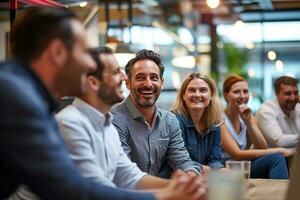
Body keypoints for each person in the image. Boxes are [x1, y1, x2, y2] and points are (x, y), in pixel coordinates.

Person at [0, 7, 202, 200]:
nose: (89, 64)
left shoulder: (24, 92)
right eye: (84, 52)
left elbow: (127, 177)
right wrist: (168, 196)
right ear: (57, 52)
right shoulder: (17, 97)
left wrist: (179, 189)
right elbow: (70, 190)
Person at [112, 49, 200, 178]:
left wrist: (192, 178)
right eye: (140, 78)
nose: (148, 84)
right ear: (128, 83)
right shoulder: (114, 120)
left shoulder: (169, 120)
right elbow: (125, 174)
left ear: (162, 83)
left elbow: (182, 161)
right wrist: (171, 187)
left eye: (154, 78)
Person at [221, 74, 293, 179]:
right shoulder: (220, 119)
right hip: (224, 168)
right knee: (277, 157)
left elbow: (261, 147)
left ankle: (281, 193)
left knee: (278, 158)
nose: (242, 96)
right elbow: (236, 154)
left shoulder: (247, 116)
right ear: (226, 95)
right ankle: (280, 194)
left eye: (245, 91)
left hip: (242, 166)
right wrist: (278, 150)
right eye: (237, 92)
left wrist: (249, 122)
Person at [171, 73, 224, 172]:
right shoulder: (174, 121)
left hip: (201, 178)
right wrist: (215, 171)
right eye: (192, 90)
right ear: (183, 95)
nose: (197, 94)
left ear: (211, 95)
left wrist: (222, 170)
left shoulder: (214, 123)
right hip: (176, 180)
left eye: (203, 90)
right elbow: (180, 162)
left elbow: (214, 160)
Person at [256, 76, 300, 148]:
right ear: (276, 93)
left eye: (296, 93)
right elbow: (278, 141)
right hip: (270, 156)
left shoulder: (297, 108)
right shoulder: (266, 110)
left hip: (292, 154)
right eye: (288, 93)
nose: (293, 98)